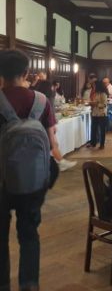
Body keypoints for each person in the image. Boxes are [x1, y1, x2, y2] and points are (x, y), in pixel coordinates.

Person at [0, 50, 57, 291]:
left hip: (1, 182)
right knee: (29, 235)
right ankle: (29, 285)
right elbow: (52, 143)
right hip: (33, 180)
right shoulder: (42, 101)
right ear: (25, 73)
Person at [88, 80, 108, 149]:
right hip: (95, 113)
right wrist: (91, 104)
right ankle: (93, 143)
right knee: (93, 129)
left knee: (102, 130)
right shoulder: (96, 93)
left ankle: (102, 145)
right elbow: (94, 102)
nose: (94, 86)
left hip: (102, 114)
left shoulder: (103, 94)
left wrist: (96, 104)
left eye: (95, 85)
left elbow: (104, 104)